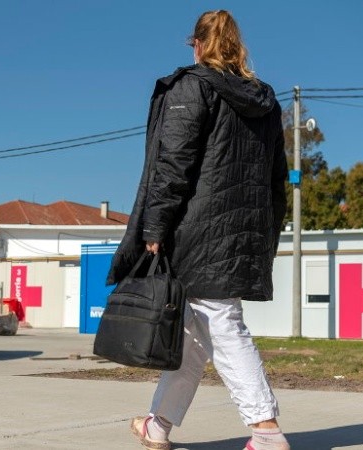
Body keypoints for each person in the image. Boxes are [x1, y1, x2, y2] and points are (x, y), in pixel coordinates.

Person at [106, 10, 289, 450]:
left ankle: (266, 431)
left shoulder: (194, 86)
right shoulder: (264, 100)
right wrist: (266, 234)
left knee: (222, 323)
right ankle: (158, 425)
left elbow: (174, 163)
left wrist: (155, 225)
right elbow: (276, 178)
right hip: (241, 230)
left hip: (198, 230)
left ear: (199, 45)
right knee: (190, 336)